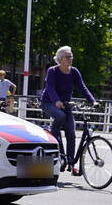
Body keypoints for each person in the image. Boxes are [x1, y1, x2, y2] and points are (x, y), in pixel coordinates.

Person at [41, 46, 96, 177]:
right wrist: (56, 101)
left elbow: (82, 87)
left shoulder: (74, 72)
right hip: (49, 102)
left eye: (71, 56)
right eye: (68, 56)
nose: (70, 58)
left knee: (71, 133)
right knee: (59, 116)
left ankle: (71, 163)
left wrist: (92, 100)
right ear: (60, 59)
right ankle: (55, 139)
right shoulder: (53, 71)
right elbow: (50, 88)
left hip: (66, 105)